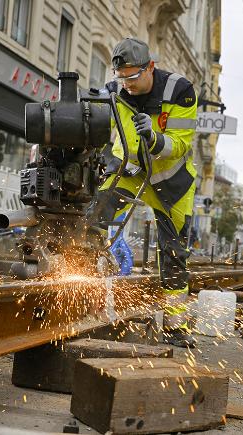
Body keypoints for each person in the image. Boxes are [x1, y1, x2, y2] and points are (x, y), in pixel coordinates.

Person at [88, 38, 198, 347]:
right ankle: (80, 289)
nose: (128, 85)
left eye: (134, 77)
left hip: (171, 183)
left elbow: (180, 144)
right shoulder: (115, 92)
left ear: (150, 67)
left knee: (174, 254)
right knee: (93, 218)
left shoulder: (180, 91)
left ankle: (176, 326)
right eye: (123, 78)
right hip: (130, 173)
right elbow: (97, 126)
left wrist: (153, 138)